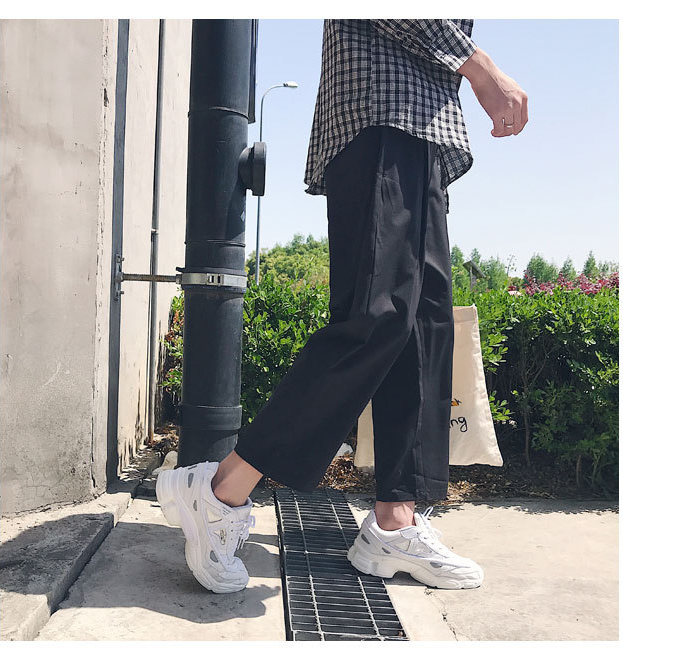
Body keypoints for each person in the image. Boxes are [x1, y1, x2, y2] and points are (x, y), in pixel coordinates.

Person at [156, 19, 528, 594]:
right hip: (381, 112)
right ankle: (219, 489)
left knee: (421, 329)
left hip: (424, 129)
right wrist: (479, 66)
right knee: (378, 318)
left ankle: (394, 521)